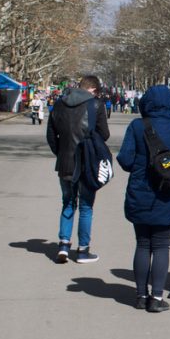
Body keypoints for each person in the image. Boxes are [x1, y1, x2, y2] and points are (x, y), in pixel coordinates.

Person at [116, 85, 170, 313]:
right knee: (161, 245)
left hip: (139, 193)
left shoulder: (136, 126)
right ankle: (157, 298)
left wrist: (141, 167)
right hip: (166, 194)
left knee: (142, 244)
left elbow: (124, 159)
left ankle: (141, 295)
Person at [46, 75, 110, 264]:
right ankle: (83, 250)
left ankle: (64, 245)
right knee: (86, 207)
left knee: (67, 203)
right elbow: (104, 134)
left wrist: (61, 152)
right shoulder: (95, 106)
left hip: (65, 163)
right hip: (86, 163)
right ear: (94, 90)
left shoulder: (59, 104)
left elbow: (51, 135)